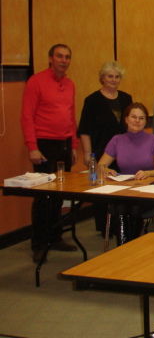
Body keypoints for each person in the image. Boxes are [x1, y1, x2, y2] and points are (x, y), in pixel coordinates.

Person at [21, 44, 78, 263]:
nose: (64, 60)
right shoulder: (36, 81)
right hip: (43, 145)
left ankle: (55, 237)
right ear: (50, 58)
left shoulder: (70, 84)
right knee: (43, 196)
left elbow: (71, 116)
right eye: (59, 56)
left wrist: (73, 145)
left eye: (67, 57)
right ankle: (39, 244)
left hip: (64, 144)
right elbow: (27, 116)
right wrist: (32, 147)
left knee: (59, 194)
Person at [99, 103, 154, 244]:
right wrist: (107, 170)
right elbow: (100, 166)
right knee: (120, 205)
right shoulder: (117, 140)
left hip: (148, 190)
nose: (137, 121)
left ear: (146, 121)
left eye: (141, 118)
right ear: (126, 119)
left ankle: (131, 245)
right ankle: (124, 246)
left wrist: (148, 173)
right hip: (124, 190)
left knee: (135, 206)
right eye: (134, 117)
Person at [77, 61, 133, 235]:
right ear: (102, 78)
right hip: (101, 152)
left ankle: (122, 225)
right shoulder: (92, 100)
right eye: (110, 76)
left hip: (124, 152)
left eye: (117, 77)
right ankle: (105, 228)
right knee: (102, 190)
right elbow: (85, 130)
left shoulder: (126, 98)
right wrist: (88, 154)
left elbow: (132, 126)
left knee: (123, 190)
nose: (114, 80)